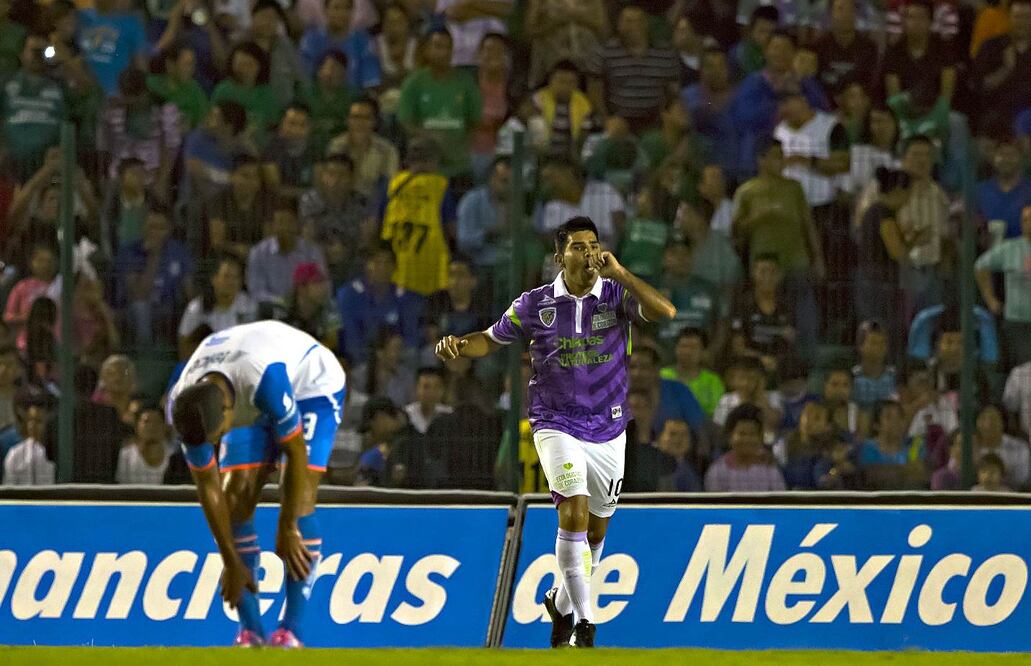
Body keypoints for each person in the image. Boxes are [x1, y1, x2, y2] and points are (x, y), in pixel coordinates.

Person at [434, 216, 676, 648]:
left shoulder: (616, 295)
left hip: (609, 427)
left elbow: (665, 312)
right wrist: (459, 344)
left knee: (597, 533)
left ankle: (561, 603)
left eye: (593, 245)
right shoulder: (535, 304)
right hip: (555, 421)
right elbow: (490, 338)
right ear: (559, 256)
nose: (588, 254)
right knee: (573, 514)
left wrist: (620, 271)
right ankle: (585, 623)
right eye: (578, 247)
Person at [169, 320, 347, 647]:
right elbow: (207, 485)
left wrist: (287, 525)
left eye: (218, 436)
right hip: (244, 389)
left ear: (227, 415)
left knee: (302, 499)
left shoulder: (263, 379)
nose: (217, 443)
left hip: (310, 383)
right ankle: (251, 633)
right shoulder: (184, 403)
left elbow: (294, 452)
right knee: (233, 498)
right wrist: (229, 561)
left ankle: (291, 631)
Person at [397, 28, 481, 179]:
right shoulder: (414, 83)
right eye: (438, 47)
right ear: (426, 50)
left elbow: (474, 121)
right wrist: (430, 136)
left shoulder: (466, 82)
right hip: (425, 162)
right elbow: (405, 122)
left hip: (459, 163)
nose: (444, 53)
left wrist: (460, 145)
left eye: (448, 47)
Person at [379, 137, 455, 297]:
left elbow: (373, 223)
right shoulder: (440, 185)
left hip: (395, 262)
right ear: (434, 160)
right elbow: (452, 229)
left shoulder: (391, 183)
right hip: (429, 264)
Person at [336, 241, 423, 365]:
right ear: (367, 265)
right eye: (376, 262)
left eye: (387, 263)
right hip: (358, 366)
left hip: (397, 365)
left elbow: (411, 339)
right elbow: (352, 340)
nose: (382, 268)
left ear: (394, 267)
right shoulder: (349, 295)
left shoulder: (405, 298)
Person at [854, 167, 913, 346]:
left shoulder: (873, 211)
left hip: (871, 279)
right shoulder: (883, 214)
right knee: (882, 330)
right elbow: (895, 251)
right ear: (898, 191)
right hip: (879, 282)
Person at [599, 5, 680, 133]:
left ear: (645, 24)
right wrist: (607, 119)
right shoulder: (607, 52)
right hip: (619, 120)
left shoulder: (664, 52)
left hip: (655, 120)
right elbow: (596, 90)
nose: (630, 26)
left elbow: (673, 92)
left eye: (634, 21)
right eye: (626, 21)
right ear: (618, 24)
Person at [1, 32, 66, 182]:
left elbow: (86, 89)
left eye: (41, 51)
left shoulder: (59, 86)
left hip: (49, 161)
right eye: (33, 51)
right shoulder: (6, 84)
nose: (37, 56)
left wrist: (63, 60)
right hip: (12, 161)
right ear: (22, 54)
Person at [975, 205, 1031, 367]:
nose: (1028, 223)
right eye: (1025, 220)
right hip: (1017, 321)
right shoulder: (1010, 248)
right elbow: (980, 267)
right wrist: (990, 299)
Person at [247, 199, 327, 308]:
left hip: (306, 309)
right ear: (273, 226)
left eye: (289, 222)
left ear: (297, 224)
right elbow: (256, 291)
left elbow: (321, 285)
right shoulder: (258, 253)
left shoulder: (312, 252)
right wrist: (282, 302)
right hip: (270, 310)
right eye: (280, 222)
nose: (284, 228)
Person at [177, 254, 258, 354]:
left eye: (235, 277)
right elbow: (184, 347)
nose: (231, 282)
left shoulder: (248, 307)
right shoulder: (197, 308)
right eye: (226, 276)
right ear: (214, 279)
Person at [704, 403, 786, 492]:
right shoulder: (717, 472)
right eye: (742, 434)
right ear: (730, 436)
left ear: (760, 438)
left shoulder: (770, 470)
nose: (747, 439)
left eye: (752, 434)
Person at [327, 97, 399, 198]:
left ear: (375, 122)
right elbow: (332, 182)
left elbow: (389, 186)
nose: (360, 123)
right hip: (343, 203)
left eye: (366, 118)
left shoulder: (387, 150)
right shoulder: (337, 146)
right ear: (348, 120)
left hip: (375, 205)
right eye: (355, 117)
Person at [858, 399, 928, 490]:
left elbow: (919, 475)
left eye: (900, 417)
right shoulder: (868, 448)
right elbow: (871, 476)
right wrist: (904, 471)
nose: (896, 421)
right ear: (876, 425)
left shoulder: (914, 445)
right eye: (889, 417)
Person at [116, 399, 188, 484]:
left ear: (165, 426)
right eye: (146, 422)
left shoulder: (176, 456)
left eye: (157, 422)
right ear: (136, 426)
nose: (152, 427)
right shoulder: (126, 456)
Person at [660, 327, 725, 419]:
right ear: (675, 348)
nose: (687, 352)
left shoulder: (713, 381)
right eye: (683, 346)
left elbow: (717, 415)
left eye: (693, 348)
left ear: (703, 352)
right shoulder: (662, 375)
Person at [976, 142, 1031, 242]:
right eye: (1001, 154)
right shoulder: (980, 191)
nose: (1006, 160)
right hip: (988, 253)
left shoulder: (1028, 190)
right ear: (993, 158)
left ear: (1020, 158)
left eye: (1011, 155)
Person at [973, 403, 1030, 490]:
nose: (988, 424)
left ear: (1003, 422)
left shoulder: (1020, 447)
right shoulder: (969, 447)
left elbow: (1022, 481)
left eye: (993, 419)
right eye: (983, 418)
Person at [2, 396, 53, 486]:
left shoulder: (54, 453)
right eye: (30, 420)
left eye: (38, 421)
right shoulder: (15, 454)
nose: (33, 425)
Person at [404, 366, 452, 435]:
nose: (431, 392)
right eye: (426, 386)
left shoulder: (450, 414)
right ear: (416, 388)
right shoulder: (407, 415)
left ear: (443, 390)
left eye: (436, 387)